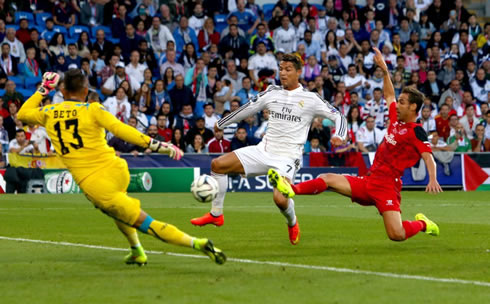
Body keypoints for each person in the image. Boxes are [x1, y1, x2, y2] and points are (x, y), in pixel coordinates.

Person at [17, 70, 226, 266]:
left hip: (96, 184)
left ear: (62, 91)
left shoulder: (48, 112)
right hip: (117, 168)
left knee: (146, 223)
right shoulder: (93, 109)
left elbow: (23, 114)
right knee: (116, 213)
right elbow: (122, 129)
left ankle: (197, 243)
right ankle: (137, 251)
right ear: (85, 90)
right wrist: (158, 145)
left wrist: (44, 87)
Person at [269, 48, 442, 242]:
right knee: (327, 179)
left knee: (396, 234)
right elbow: (389, 95)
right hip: (370, 181)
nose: (397, 104)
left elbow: (428, 156)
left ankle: (423, 223)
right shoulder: (395, 118)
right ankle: (292, 189)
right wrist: (384, 70)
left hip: (387, 187)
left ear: (413, 107)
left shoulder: (416, 130)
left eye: (402, 102)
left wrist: (433, 178)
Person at [190, 54, 347, 245]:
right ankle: (216, 214)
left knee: (280, 199)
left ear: (298, 72)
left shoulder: (310, 98)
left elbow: (339, 116)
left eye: (288, 69)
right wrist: (222, 123)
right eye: (281, 69)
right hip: (263, 150)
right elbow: (247, 108)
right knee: (218, 164)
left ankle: (292, 222)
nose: (283, 73)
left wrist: (339, 134)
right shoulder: (271, 93)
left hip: (288, 157)